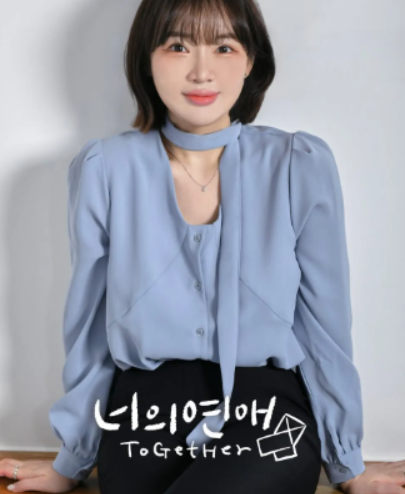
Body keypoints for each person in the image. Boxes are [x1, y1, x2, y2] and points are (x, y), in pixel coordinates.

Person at [1, 0, 405, 493]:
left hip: (267, 411)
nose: (201, 71)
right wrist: (72, 460)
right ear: (147, 59)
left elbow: (325, 328)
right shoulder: (106, 169)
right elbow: (88, 331)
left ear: (250, 60)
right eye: (177, 46)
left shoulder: (298, 164)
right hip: (142, 414)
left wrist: (347, 462)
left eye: (224, 47)